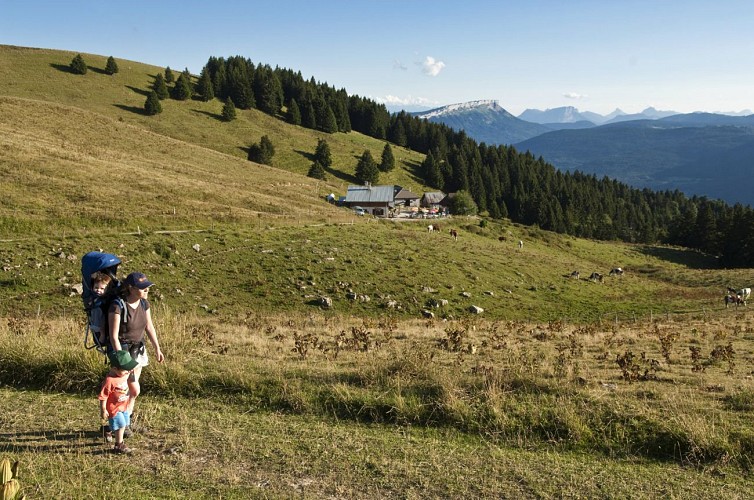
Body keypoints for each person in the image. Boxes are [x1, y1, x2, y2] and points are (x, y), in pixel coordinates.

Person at [108, 271, 165, 426]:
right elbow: (113, 336)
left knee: (132, 391)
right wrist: (122, 360)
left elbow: (149, 327)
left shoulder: (144, 304)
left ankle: (126, 421)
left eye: (147, 287)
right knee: (125, 390)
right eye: (142, 287)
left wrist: (157, 349)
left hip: (138, 350)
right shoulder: (117, 305)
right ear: (131, 288)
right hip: (123, 351)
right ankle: (115, 423)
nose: (146, 290)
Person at [99, 350, 139, 454]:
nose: (129, 371)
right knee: (121, 425)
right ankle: (119, 445)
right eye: (126, 370)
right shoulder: (109, 381)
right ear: (115, 368)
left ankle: (107, 429)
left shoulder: (124, 374)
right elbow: (103, 396)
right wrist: (103, 410)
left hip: (123, 406)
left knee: (125, 423)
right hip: (114, 408)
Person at [89, 271, 114, 346]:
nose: (98, 290)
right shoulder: (94, 298)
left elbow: (103, 320)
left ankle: (102, 336)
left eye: (102, 288)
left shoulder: (104, 301)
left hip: (101, 327)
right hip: (96, 325)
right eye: (96, 287)